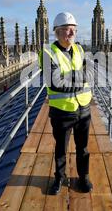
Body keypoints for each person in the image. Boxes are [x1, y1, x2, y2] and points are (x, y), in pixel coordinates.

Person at [39, 12, 94, 195]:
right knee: (61, 149)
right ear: (56, 32)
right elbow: (55, 82)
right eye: (66, 30)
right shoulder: (47, 53)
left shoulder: (79, 50)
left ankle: (83, 177)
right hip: (62, 111)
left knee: (83, 148)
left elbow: (90, 75)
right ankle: (59, 178)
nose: (71, 33)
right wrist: (79, 79)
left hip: (84, 108)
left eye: (73, 30)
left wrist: (68, 78)